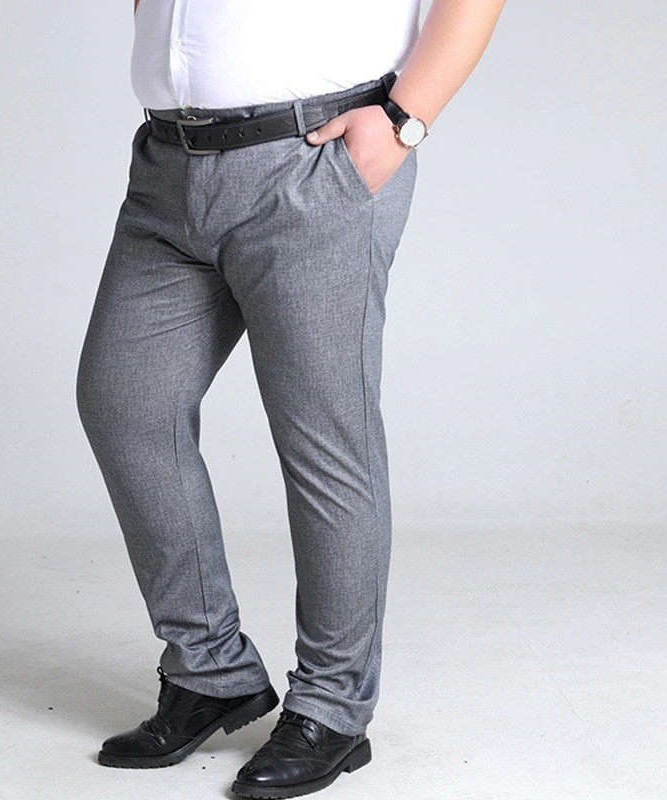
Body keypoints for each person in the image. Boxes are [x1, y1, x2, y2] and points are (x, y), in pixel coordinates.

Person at [76, 0, 506, 796]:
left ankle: (333, 709)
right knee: (124, 402)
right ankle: (209, 672)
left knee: (323, 441)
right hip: (170, 164)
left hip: (310, 157)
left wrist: (404, 120)